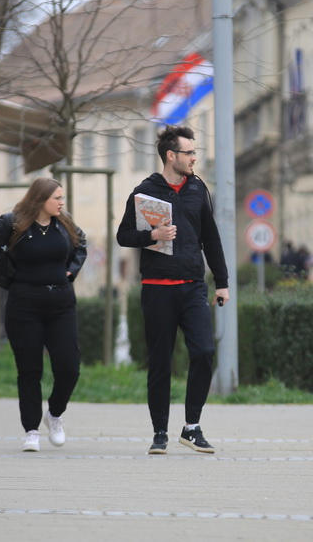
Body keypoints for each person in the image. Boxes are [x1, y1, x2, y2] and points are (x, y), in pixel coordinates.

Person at [117, 125, 230, 455]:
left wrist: (221, 282)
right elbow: (123, 235)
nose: (194, 158)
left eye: (195, 152)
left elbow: (211, 237)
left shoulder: (198, 189)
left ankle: (191, 427)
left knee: (204, 352)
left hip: (193, 287)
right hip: (157, 288)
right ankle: (160, 433)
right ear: (171, 155)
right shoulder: (145, 192)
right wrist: (152, 236)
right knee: (161, 362)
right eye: (189, 152)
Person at [0, 177, 88, 451]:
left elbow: (81, 245)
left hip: (60, 304)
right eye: (57, 198)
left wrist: (71, 270)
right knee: (29, 370)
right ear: (41, 200)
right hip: (24, 304)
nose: (62, 203)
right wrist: (13, 271)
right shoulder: (13, 223)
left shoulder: (65, 223)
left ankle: (54, 415)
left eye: (62, 198)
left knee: (69, 367)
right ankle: (31, 431)